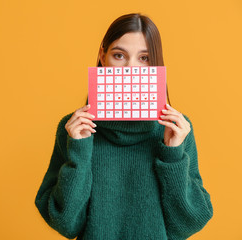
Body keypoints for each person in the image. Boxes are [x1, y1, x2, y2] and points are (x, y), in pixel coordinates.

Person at [34, 13, 213, 240]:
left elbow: (188, 223)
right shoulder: (73, 130)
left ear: (156, 64)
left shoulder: (176, 130)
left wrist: (173, 155)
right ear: (102, 56)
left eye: (144, 58)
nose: (130, 68)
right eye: (119, 55)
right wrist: (79, 153)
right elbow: (66, 224)